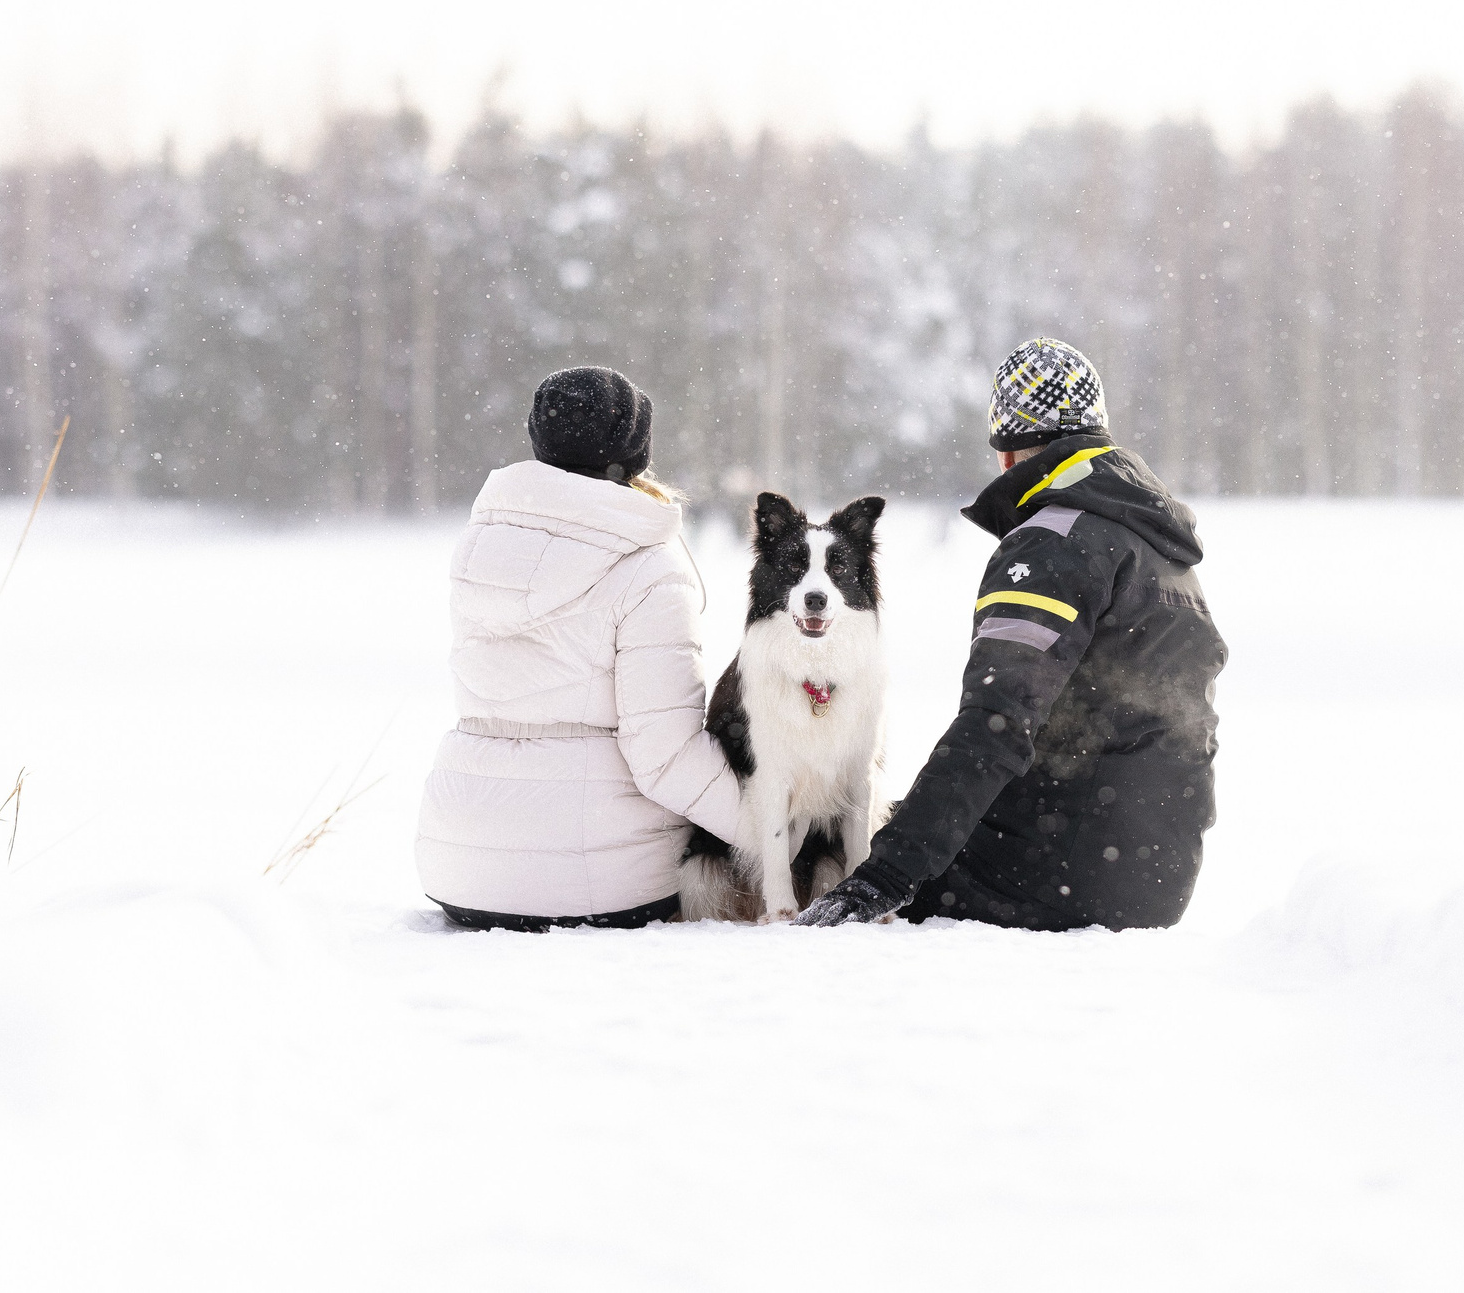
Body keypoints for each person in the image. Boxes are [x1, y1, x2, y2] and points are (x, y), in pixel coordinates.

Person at [798, 337, 1225, 931]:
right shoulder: (1160, 548)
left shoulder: (1052, 543)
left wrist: (882, 877)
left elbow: (995, 725)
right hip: (1160, 871)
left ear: (1007, 450)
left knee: (832, 851)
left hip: (1063, 866)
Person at [414, 366, 743, 930]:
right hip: (596, 881)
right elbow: (664, 756)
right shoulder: (648, 566)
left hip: (458, 868)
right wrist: (777, 834)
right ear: (634, 454)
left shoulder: (481, 546)